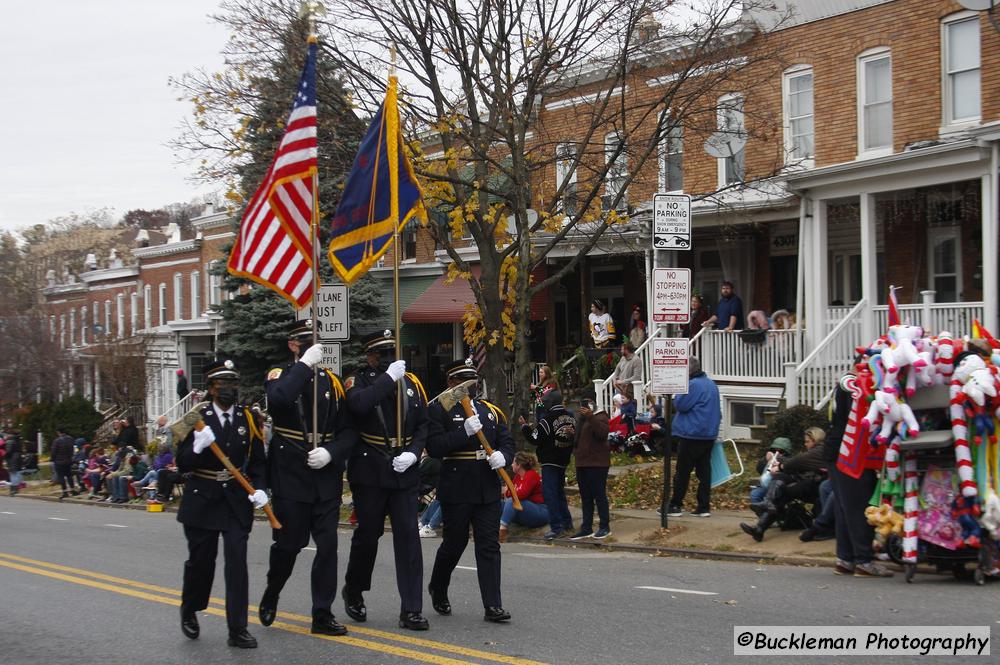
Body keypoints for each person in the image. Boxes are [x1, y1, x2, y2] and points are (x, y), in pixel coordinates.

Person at [258, 320, 357, 637]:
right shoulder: (281, 376)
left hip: (324, 476)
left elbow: (348, 431)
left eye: (317, 343)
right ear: (293, 345)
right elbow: (279, 401)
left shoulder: (334, 383)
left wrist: (332, 452)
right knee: (289, 546)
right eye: (305, 342)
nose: (315, 347)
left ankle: (322, 613)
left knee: (328, 547)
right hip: (292, 476)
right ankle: (273, 591)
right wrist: (303, 365)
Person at [175, 359, 268, 648]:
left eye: (232, 384)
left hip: (235, 501)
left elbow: (258, 462)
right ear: (212, 388)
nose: (229, 389)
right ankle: (190, 607)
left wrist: (262, 489)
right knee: (202, 563)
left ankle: (237, 628)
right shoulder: (195, 417)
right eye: (222, 384)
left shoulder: (247, 418)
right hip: (203, 497)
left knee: (237, 565)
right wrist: (197, 446)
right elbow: (181, 463)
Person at [342, 330, 430, 631]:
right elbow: (358, 406)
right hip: (371, 470)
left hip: (403, 469)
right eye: (382, 353)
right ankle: (354, 589)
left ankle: (412, 609)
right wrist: (387, 379)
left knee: (408, 537)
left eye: (393, 351)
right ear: (370, 356)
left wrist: (415, 452)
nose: (389, 357)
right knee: (368, 535)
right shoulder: (359, 380)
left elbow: (423, 424)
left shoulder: (412, 383)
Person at [426, 358, 515, 623]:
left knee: (489, 546)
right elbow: (435, 448)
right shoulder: (439, 410)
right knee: (455, 543)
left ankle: (493, 605)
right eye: (465, 381)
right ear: (452, 383)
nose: (471, 386)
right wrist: (463, 432)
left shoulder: (490, 410)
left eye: (473, 381)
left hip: (486, 485)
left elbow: (506, 440)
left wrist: (504, 456)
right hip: (457, 485)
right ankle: (438, 587)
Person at [827, 372, 893, 577]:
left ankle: (845, 559)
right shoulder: (858, 385)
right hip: (850, 453)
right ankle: (863, 561)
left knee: (844, 508)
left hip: (836, 449)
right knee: (858, 507)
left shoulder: (846, 383)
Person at [740, 427, 827, 542]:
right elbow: (797, 465)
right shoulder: (814, 451)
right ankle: (764, 516)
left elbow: (797, 461)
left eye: (807, 441)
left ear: (816, 440)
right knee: (780, 481)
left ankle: (761, 525)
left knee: (782, 493)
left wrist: (779, 464)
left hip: (817, 486)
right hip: (807, 482)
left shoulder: (819, 451)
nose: (805, 444)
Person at [666, 357, 721, 517]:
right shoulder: (711, 384)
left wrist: (678, 391)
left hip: (692, 434)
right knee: (704, 472)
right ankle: (703, 506)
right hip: (708, 434)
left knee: (682, 472)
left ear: (689, 370)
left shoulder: (693, 385)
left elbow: (680, 405)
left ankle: (676, 504)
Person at [520, 399, 576, 540]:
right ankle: (567, 524)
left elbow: (535, 438)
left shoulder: (547, 419)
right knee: (559, 493)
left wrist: (525, 428)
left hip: (550, 460)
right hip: (563, 459)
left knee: (550, 494)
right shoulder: (570, 417)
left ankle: (556, 528)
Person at [571, 398, 612, 540]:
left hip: (597, 463)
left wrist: (590, 416)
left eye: (588, 402)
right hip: (582, 462)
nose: (585, 405)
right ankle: (586, 527)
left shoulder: (601, 416)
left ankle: (604, 526)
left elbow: (602, 433)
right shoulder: (581, 420)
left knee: (599, 496)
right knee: (586, 497)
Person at [498, 451, 548, 542]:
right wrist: (508, 492)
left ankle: (502, 530)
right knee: (497, 504)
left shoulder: (531, 475)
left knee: (512, 501)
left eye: (513, 462)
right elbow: (510, 492)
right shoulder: (517, 477)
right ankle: (489, 528)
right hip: (524, 509)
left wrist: (508, 492)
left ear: (519, 465)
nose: (512, 465)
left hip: (540, 511)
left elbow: (521, 494)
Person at [749, 437, 794, 504]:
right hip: (767, 485)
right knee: (755, 494)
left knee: (778, 499)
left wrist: (779, 460)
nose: (776, 453)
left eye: (780, 451)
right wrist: (765, 460)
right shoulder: (769, 458)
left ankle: (770, 512)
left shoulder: (790, 460)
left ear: (787, 452)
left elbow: (792, 470)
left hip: (782, 487)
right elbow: (759, 469)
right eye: (774, 450)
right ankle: (763, 513)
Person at [51, 426, 81, 500]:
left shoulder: (57, 441)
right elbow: (72, 449)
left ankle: (65, 492)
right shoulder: (70, 439)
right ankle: (73, 490)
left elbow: (53, 452)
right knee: (69, 475)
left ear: (58, 432)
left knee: (61, 476)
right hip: (68, 460)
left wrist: (53, 459)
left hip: (59, 461)